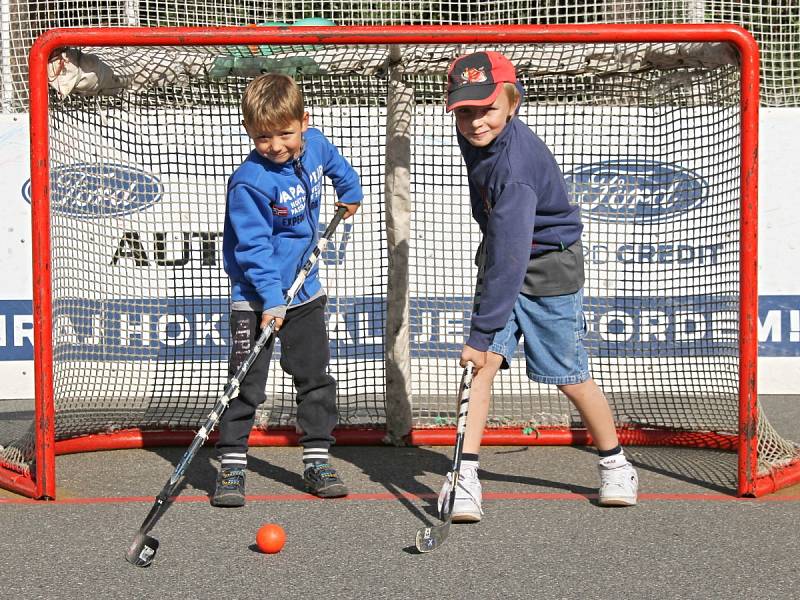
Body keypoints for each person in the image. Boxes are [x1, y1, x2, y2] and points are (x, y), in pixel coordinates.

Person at [439, 51, 639, 522]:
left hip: (546, 268)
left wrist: (480, 330)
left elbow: (512, 257)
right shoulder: (479, 137)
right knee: (481, 368)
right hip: (505, 256)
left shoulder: (516, 169)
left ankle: (616, 463)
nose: (474, 122)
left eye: (485, 108)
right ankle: (465, 476)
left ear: (513, 103)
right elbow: (501, 246)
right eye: (464, 110)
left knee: (569, 374)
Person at [213, 73, 362, 507]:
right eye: (262, 136)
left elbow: (335, 165)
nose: (275, 145)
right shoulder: (249, 182)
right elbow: (253, 248)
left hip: (305, 293)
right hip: (256, 297)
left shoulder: (314, 143)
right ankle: (232, 466)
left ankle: (317, 460)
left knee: (313, 378)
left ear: (303, 122)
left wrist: (349, 192)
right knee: (245, 385)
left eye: (285, 133)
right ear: (249, 131)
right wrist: (271, 300)